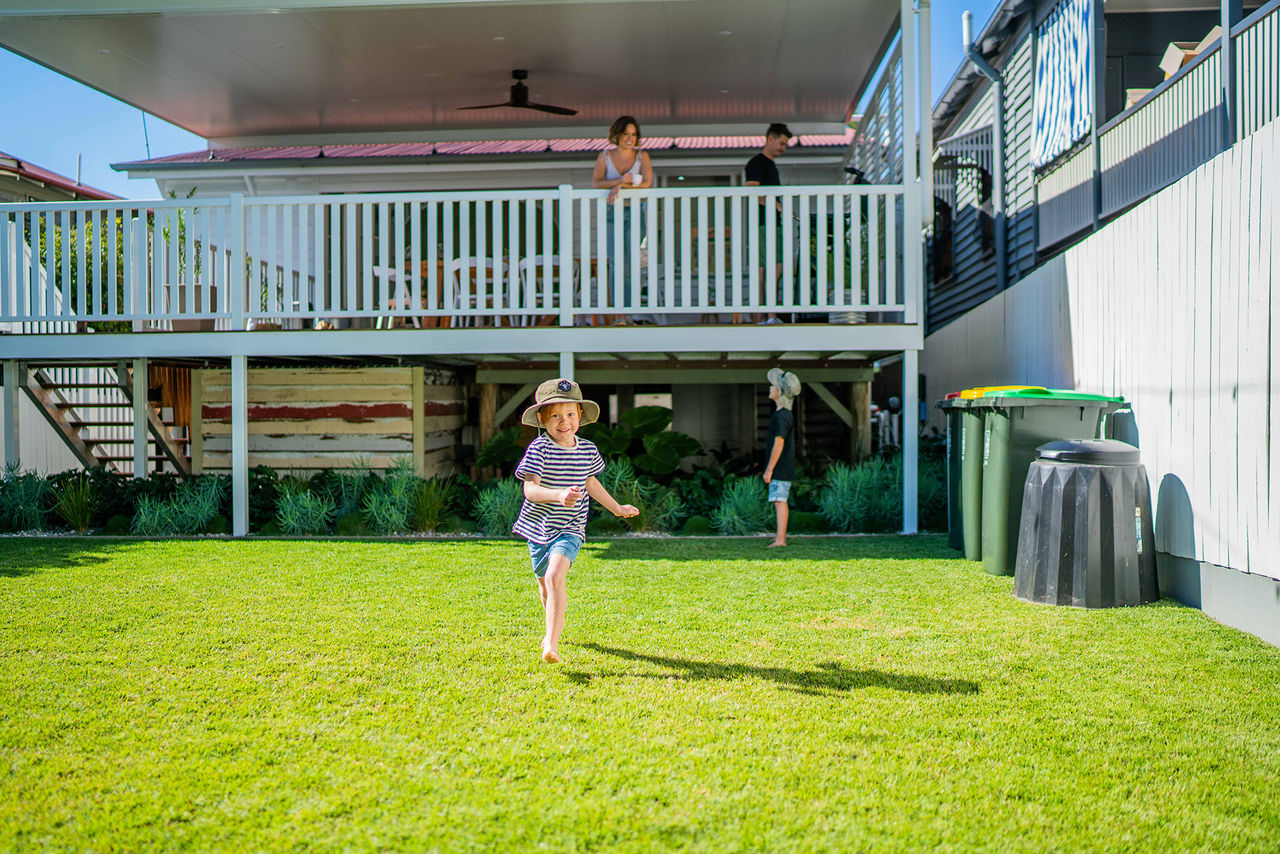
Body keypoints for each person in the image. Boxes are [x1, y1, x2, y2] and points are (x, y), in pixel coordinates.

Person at [512, 378, 639, 663]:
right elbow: (529, 489)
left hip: (570, 527)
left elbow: (591, 483)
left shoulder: (587, 450)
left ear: (579, 416)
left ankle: (551, 644)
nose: (564, 421)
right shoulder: (539, 450)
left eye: (570, 414)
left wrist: (616, 508)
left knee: (557, 576)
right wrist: (558, 495)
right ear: (542, 418)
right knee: (545, 585)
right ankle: (551, 627)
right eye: (555, 415)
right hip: (538, 528)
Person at [591, 116, 653, 325]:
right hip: (612, 213)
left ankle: (632, 313)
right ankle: (620, 315)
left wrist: (623, 187)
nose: (630, 138)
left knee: (631, 263)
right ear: (617, 135)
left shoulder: (641, 156)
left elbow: (646, 183)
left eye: (633, 134)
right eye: (626, 133)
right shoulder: (605, 156)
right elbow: (597, 183)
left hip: (635, 212)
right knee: (616, 263)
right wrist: (619, 181)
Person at [744, 123, 794, 324]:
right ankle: (768, 316)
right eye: (781, 143)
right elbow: (752, 192)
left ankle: (763, 316)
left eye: (785, 144)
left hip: (773, 224)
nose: (783, 148)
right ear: (770, 138)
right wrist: (777, 205)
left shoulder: (770, 165)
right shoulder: (757, 163)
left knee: (767, 270)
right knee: (773, 268)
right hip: (764, 224)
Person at [761, 367, 801, 547]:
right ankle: (779, 537)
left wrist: (769, 469)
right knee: (778, 500)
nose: (770, 389)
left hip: (780, 467)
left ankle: (780, 539)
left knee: (780, 501)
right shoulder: (783, 415)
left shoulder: (782, 417)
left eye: (773, 386)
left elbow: (779, 442)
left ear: (779, 391)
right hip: (782, 466)